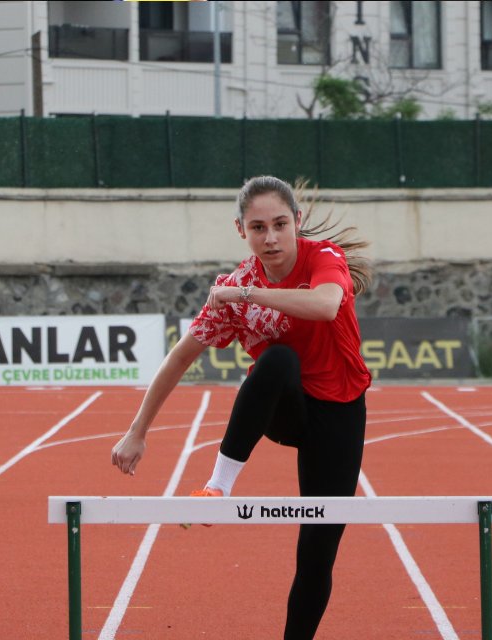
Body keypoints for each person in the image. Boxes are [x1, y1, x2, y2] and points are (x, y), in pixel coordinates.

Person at [111, 175, 373, 639]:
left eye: (279, 225)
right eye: (257, 228)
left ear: (297, 222)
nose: (270, 238)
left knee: (318, 547)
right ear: (241, 230)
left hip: (339, 409)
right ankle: (217, 487)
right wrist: (137, 430)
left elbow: (327, 305)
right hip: (285, 409)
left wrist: (248, 294)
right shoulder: (233, 288)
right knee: (276, 361)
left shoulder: (322, 259)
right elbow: (179, 358)